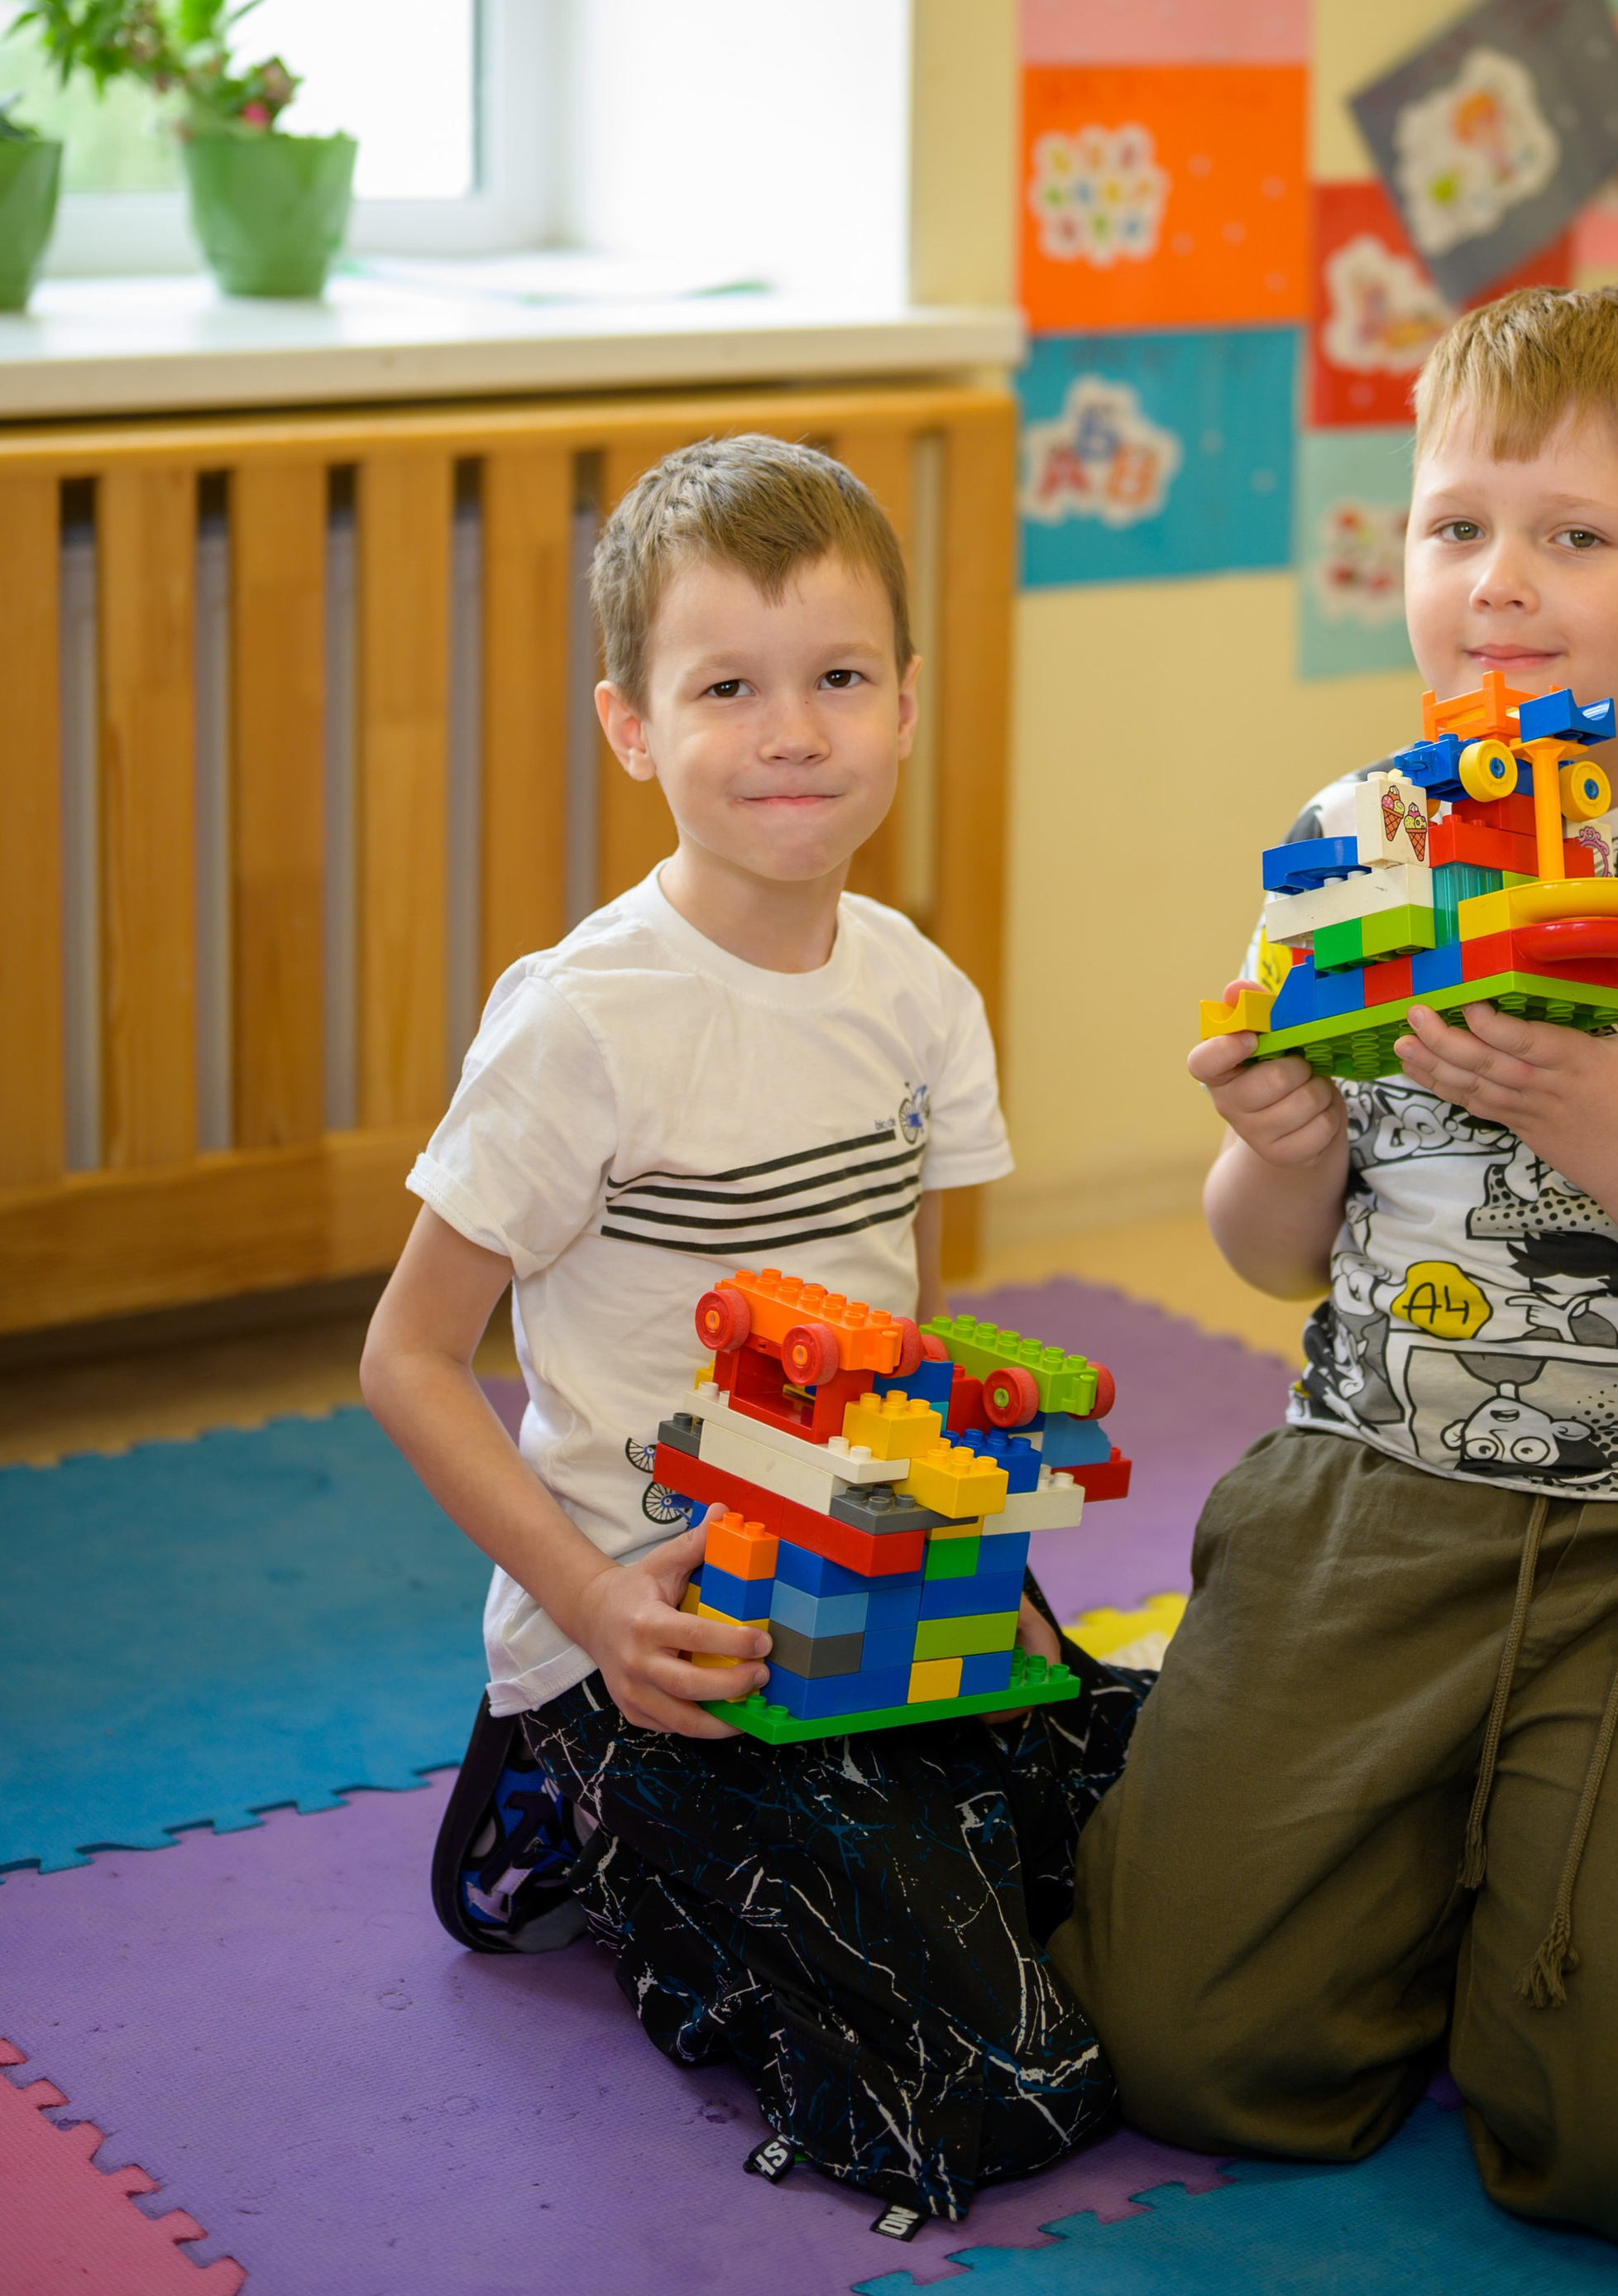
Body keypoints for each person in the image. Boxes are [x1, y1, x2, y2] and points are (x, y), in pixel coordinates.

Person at [1049, 286, 1618, 2250]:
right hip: (1379, 1486)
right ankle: (1479, 1851)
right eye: (1456, 525)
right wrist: (1273, 1146)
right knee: (1180, 2053)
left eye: (1577, 535)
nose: (1500, 581)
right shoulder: (1354, 838)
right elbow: (1273, 1255)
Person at [361, 435, 1147, 2224]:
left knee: (1171, 1800)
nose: (794, 729)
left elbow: (904, 1314)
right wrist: (587, 1607)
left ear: (905, 702)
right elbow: (407, 1359)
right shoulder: (584, 1024)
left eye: (839, 676)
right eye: (729, 685)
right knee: (1004, 2083)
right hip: (660, 1625)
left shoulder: (918, 995)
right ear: (631, 724)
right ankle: (590, 1839)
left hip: (865, 1584)